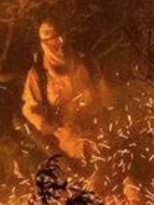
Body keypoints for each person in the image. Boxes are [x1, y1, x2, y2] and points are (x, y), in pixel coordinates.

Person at [21, 19, 112, 162]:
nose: (60, 42)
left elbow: (103, 92)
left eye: (61, 36)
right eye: (54, 40)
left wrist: (110, 113)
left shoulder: (85, 62)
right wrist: (44, 125)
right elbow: (29, 109)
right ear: (44, 44)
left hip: (99, 138)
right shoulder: (38, 74)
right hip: (68, 147)